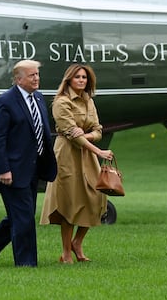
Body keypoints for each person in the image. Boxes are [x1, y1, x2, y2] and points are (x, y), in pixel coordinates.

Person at [0, 59, 57, 267]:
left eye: (37, 74)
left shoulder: (38, 98)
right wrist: (3, 168)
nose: (37, 78)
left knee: (21, 214)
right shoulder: (5, 101)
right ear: (18, 79)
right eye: (32, 75)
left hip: (33, 168)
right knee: (23, 218)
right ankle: (26, 263)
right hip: (11, 170)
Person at [40, 64, 113, 264]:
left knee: (97, 197)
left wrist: (87, 135)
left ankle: (77, 242)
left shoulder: (89, 101)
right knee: (68, 201)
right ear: (69, 80)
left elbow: (98, 129)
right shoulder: (61, 102)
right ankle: (65, 253)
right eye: (78, 77)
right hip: (66, 154)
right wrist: (98, 150)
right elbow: (71, 134)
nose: (82, 80)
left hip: (86, 154)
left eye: (84, 77)